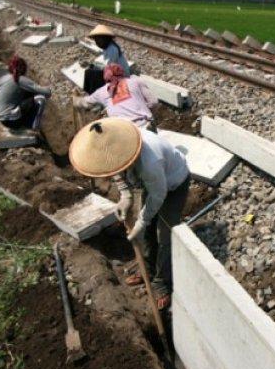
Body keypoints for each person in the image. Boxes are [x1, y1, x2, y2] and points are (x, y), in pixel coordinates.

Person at [69, 117, 190, 310]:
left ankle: (162, 283)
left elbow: (159, 195)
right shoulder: (117, 146)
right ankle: (148, 270)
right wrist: (125, 196)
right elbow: (115, 168)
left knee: (163, 235)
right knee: (149, 232)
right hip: (154, 185)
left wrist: (141, 220)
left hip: (173, 184)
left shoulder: (150, 161)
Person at [74, 63, 157, 131]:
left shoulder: (101, 92)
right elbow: (153, 102)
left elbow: (85, 103)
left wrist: (76, 100)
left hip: (125, 131)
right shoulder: (136, 82)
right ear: (122, 72)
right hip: (147, 125)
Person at [0, 55, 52, 131]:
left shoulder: (3, 78)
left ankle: (25, 121)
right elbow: (47, 93)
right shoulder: (20, 79)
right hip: (12, 120)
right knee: (40, 99)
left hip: (2, 118)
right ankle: (33, 125)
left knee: (27, 95)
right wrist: (47, 88)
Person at [84, 24, 130, 93]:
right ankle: (92, 92)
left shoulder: (112, 49)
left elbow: (108, 68)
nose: (98, 42)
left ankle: (95, 93)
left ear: (106, 38)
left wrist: (95, 69)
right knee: (90, 71)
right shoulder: (108, 48)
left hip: (121, 76)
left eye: (100, 39)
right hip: (113, 73)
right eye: (97, 40)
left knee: (90, 73)